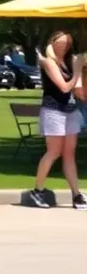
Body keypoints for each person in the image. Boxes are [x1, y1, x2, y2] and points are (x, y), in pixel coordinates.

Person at [27, 31, 87, 209]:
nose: (64, 47)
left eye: (67, 44)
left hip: (70, 111)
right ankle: (37, 190)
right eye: (61, 43)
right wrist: (77, 70)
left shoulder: (70, 62)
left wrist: (82, 73)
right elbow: (63, 87)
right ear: (52, 43)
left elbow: (79, 94)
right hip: (53, 110)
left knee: (69, 154)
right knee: (54, 151)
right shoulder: (48, 62)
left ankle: (76, 194)